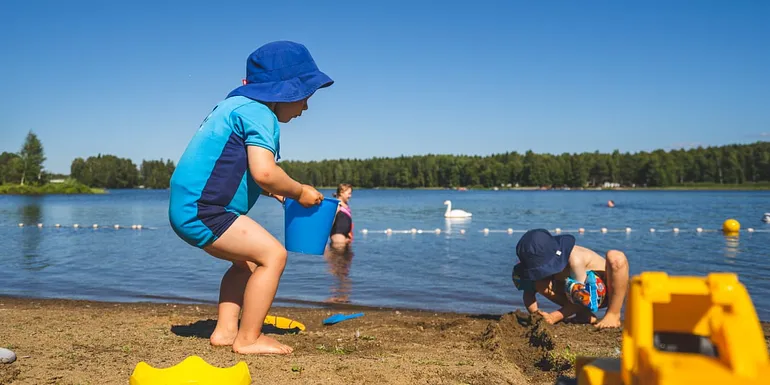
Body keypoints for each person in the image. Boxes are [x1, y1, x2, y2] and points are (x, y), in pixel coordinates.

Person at [168, 41, 333, 355]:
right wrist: (299, 190)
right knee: (273, 256)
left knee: (245, 264)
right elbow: (264, 172)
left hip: (189, 206)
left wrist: (276, 194)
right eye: (305, 97)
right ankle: (249, 339)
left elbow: (232, 167)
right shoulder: (260, 114)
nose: (305, 108)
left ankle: (226, 332)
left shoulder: (234, 108)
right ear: (284, 91)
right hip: (206, 210)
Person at [511, 228, 629, 329]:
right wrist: (536, 315)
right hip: (580, 295)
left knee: (615, 257)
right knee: (540, 283)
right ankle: (584, 315)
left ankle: (613, 314)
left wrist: (554, 316)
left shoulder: (575, 260)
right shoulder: (540, 272)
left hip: (607, 291)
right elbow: (529, 292)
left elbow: (583, 297)